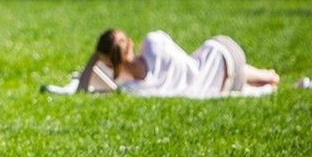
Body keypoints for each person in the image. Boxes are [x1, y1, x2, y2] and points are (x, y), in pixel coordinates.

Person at [76, 29, 279, 97]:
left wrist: (93, 60)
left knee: (242, 80)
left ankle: (267, 79)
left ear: (109, 65)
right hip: (222, 52)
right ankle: (268, 76)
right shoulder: (152, 42)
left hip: (222, 83)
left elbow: (82, 92)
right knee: (207, 68)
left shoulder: (135, 89)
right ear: (129, 42)